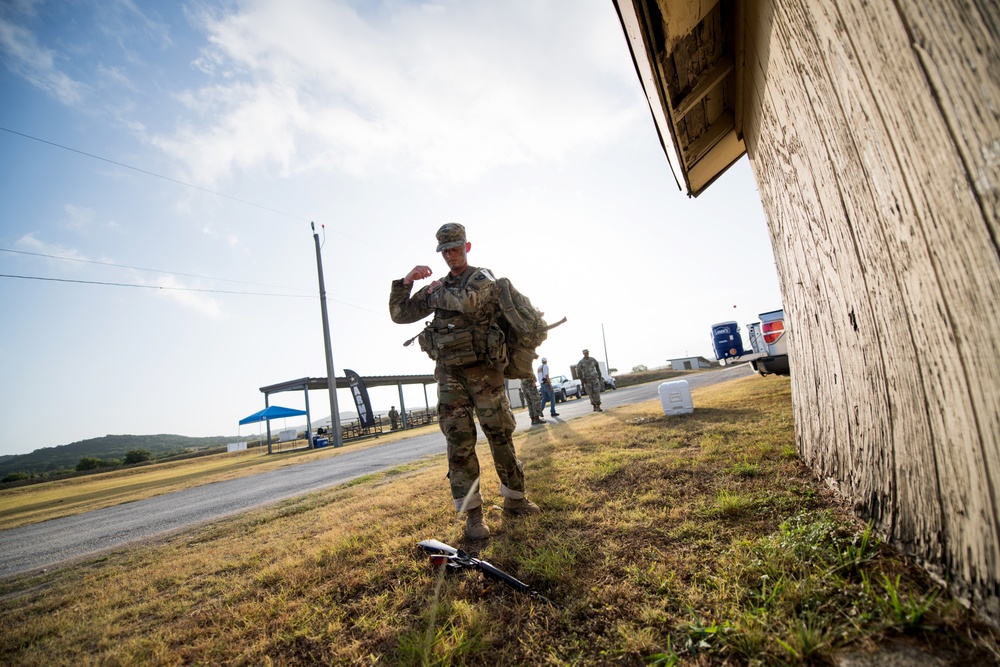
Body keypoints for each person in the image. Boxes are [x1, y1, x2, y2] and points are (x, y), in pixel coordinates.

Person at [389, 222, 541, 540]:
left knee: (500, 436)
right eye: (444, 250)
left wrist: (435, 292)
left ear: (467, 247)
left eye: (455, 247)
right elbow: (400, 314)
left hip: (485, 370)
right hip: (450, 374)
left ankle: (516, 498)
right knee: (458, 444)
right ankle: (473, 515)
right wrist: (406, 281)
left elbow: (468, 302)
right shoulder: (436, 287)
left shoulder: (482, 277)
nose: (450, 254)